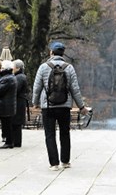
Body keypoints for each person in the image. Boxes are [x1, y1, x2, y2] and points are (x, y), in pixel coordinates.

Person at [32, 41, 89, 171]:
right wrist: (81, 106)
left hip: (48, 106)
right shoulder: (69, 67)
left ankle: (54, 164)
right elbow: (75, 89)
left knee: (50, 134)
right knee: (64, 133)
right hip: (65, 106)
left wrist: (35, 102)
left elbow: (37, 87)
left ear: (51, 52)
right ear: (63, 53)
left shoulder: (43, 67)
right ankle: (65, 161)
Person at [0, 59, 17, 149]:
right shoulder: (10, 77)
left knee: (6, 124)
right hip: (7, 104)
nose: (0, 69)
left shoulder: (6, 79)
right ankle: (9, 141)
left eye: (2, 68)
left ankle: (9, 142)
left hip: (5, 105)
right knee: (7, 124)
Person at [12, 59, 29, 147]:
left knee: (16, 122)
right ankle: (16, 141)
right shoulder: (21, 76)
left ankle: (16, 142)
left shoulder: (19, 77)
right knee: (16, 122)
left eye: (13, 66)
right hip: (20, 101)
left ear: (18, 68)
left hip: (19, 102)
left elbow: (16, 90)